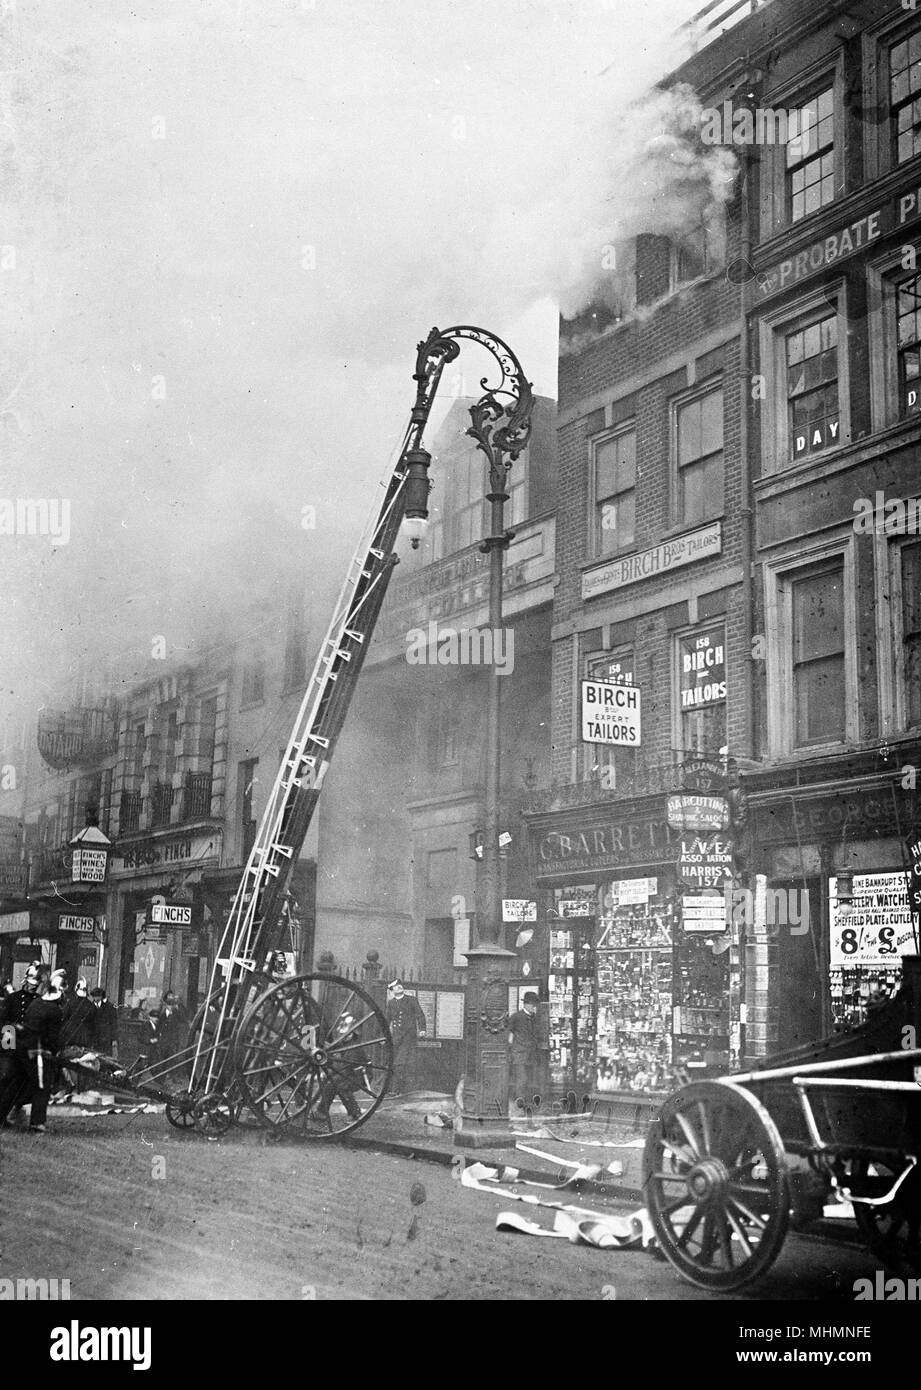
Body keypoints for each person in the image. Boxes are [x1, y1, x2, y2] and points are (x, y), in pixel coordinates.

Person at [0, 968, 69, 1133]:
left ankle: (1, 1117)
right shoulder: (54, 1010)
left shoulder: (37, 1002)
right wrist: (55, 1051)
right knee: (41, 1085)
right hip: (32, 1050)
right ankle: (37, 1123)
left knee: (16, 1083)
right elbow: (52, 1038)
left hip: (20, 1047)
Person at [0, 964, 42, 1126]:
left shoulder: (38, 1001)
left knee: (28, 1082)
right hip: (11, 1048)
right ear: (25, 980)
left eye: (36, 983)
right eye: (32, 982)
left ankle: (13, 1111)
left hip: (28, 1049)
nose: (34, 986)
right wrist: (7, 1046)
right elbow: (5, 1022)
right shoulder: (14, 998)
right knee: (7, 1078)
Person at [385, 980, 426, 1095]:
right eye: (395, 987)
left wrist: (422, 1029)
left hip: (408, 1035)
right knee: (394, 1061)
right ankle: (392, 1088)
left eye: (400, 986)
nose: (399, 987)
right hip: (396, 1036)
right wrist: (383, 1036)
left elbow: (420, 1015)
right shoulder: (391, 1003)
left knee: (400, 1062)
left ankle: (396, 1089)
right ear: (392, 991)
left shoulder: (411, 1000)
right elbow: (387, 1020)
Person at [507, 992, 540, 1115]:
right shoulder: (516, 1017)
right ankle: (519, 1105)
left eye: (534, 1005)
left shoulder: (535, 1018)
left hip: (531, 1054)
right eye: (531, 1004)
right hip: (519, 1054)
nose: (533, 1007)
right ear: (525, 1004)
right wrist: (511, 1047)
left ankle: (526, 1104)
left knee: (529, 1080)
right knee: (521, 1079)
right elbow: (508, 1033)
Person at [156, 990, 188, 1059]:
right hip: (163, 1042)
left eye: (171, 1005)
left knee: (172, 1059)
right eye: (169, 1005)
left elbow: (182, 1021)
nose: (170, 1007)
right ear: (166, 1005)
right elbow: (159, 1027)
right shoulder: (162, 1015)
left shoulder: (176, 1014)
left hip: (173, 1042)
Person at [89, 988, 119, 1057]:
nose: (96, 998)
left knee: (105, 1059)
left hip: (105, 1039)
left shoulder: (109, 1007)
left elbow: (114, 1024)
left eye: (98, 996)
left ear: (101, 997)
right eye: (94, 996)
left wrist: (114, 1039)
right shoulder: (89, 1007)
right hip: (93, 1040)